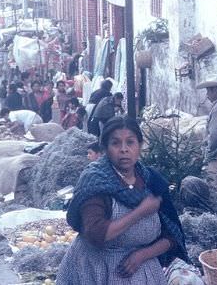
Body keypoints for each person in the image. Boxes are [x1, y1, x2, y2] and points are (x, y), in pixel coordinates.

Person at [58, 117, 189, 284]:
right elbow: (96, 234)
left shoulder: (151, 180)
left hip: (142, 269)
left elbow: (172, 237)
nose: (124, 150)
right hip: (94, 270)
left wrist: (142, 255)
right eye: (116, 143)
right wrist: (140, 212)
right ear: (105, 148)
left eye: (130, 142)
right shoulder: (96, 181)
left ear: (140, 146)